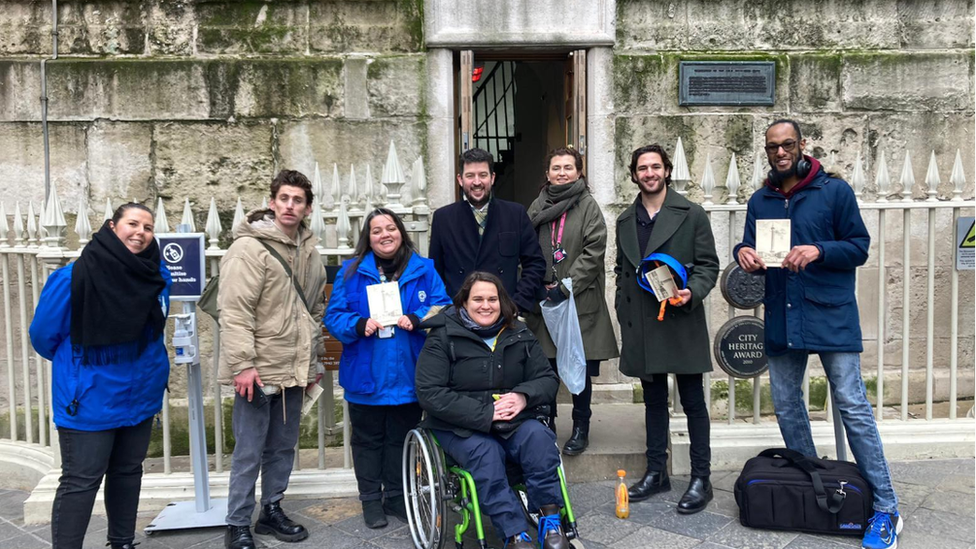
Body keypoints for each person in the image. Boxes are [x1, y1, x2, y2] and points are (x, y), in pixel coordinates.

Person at [735, 119, 902, 549]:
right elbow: (748, 245)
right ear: (767, 151)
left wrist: (819, 250)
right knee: (789, 406)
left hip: (830, 315)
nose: (780, 152)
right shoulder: (761, 198)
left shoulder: (835, 192)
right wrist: (744, 253)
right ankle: (816, 493)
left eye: (787, 144)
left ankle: (886, 508)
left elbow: (859, 247)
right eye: (773, 147)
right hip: (782, 317)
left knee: (852, 406)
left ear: (802, 145)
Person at [30, 203, 171, 549]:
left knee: (127, 473)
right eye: (132, 224)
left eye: (148, 227)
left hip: (139, 395)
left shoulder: (156, 276)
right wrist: (83, 366)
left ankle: (122, 542)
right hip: (90, 396)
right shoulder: (71, 278)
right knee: (81, 480)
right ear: (112, 227)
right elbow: (44, 336)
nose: (140, 232)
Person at [415, 272, 570, 549]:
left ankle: (550, 520)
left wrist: (523, 396)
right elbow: (429, 393)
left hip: (515, 420)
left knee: (539, 439)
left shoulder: (519, 333)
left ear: (502, 302)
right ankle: (514, 533)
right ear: (464, 302)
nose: (485, 305)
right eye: (477, 299)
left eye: (492, 299)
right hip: (459, 424)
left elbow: (547, 379)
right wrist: (485, 414)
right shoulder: (442, 336)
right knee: (487, 453)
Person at [218, 170, 328, 549]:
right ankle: (236, 522)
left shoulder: (311, 254)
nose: (290, 206)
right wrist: (242, 365)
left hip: (295, 368)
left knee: (282, 446)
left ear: (307, 207)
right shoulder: (249, 249)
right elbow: (234, 311)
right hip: (259, 367)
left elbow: (314, 312)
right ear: (272, 202)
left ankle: (271, 509)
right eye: (284, 198)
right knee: (249, 449)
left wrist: (313, 363)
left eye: (298, 200)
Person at [324, 208, 451, 529]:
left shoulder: (424, 269)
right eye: (377, 230)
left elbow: (444, 305)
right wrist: (358, 324)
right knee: (367, 441)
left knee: (400, 439)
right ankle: (370, 500)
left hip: (409, 373)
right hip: (367, 375)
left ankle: (395, 495)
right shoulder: (350, 272)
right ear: (369, 237)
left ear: (401, 232)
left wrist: (419, 318)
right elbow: (334, 316)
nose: (385, 235)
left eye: (390, 228)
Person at [615, 144, 719, 514]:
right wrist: (620, 305)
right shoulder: (625, 220)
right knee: (654, 401)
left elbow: (709, 265)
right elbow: (620, 270)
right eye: (642, 168)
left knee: (693, 402)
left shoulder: (692, 213)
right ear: (634, 174)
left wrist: (693, 292)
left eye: (655, 166)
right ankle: (657, 471)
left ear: (667, 170)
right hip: (642, 322)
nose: (649, 173)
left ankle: (700, 478)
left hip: (680, 317)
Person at [525, 147, 619, 455]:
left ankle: (581, 427)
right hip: (545, 303)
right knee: (547, 370)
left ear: (578, 172)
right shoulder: (537, 206)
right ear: (548, 173)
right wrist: (535, 285)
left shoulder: (588, 206)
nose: (562, 172)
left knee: (578, 370)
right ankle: (547, 426)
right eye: (556, 167)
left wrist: (567, 285)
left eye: (568, 167)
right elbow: (525, 247)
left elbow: (594, 251)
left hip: (578, 301)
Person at [429, 148, 547, 314]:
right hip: (458, 316)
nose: (477, 182)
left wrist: (517, 304)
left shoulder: (515, 214)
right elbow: (435, 273)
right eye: (470, 175)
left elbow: (535, 264)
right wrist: (448, 310)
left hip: (504, 313)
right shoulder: (443, 218)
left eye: (483, 175)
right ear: (460, 179)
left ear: (492, 178)